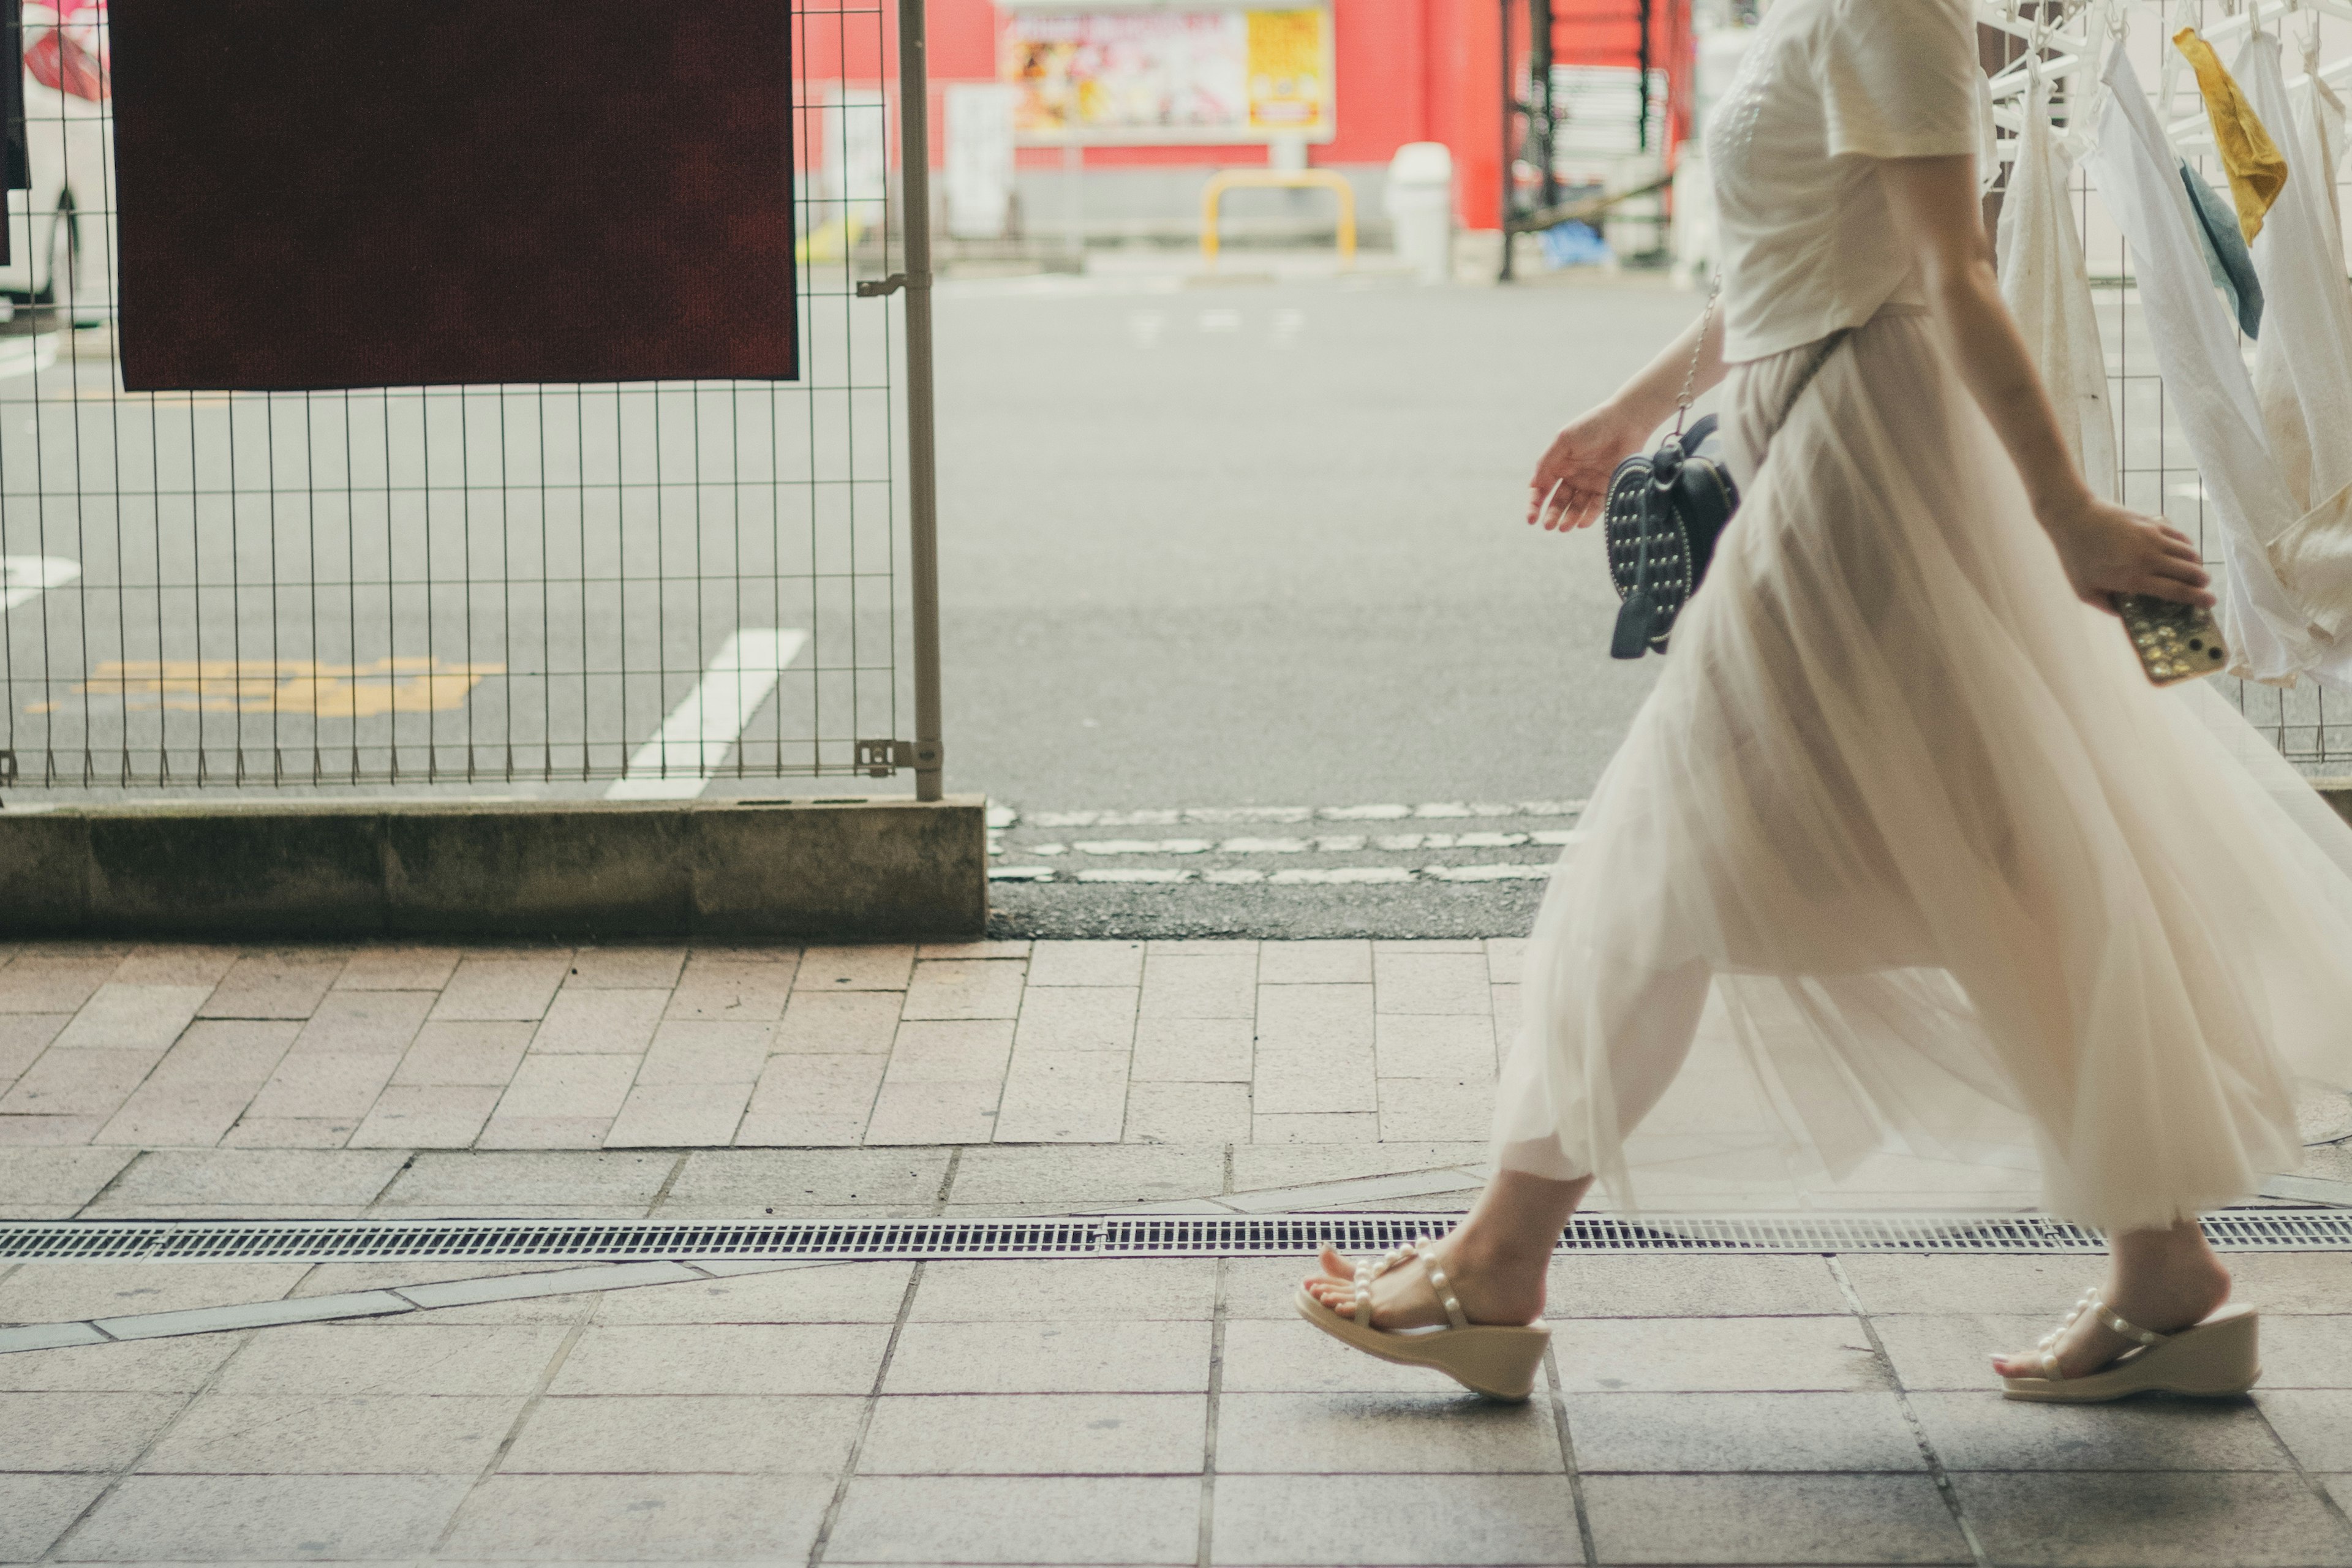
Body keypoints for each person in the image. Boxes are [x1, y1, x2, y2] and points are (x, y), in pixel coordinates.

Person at [1298, 0, 2352, 1404]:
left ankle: (1500, 1258)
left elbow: (1952, 273)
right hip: (1828, 439)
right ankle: (2163, 1267)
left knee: (1680, 838)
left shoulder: (1887, 6)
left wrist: (2068, 517)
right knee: (1998, 843)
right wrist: (1627, 416)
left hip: (1861, 467)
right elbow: (1798, 263)